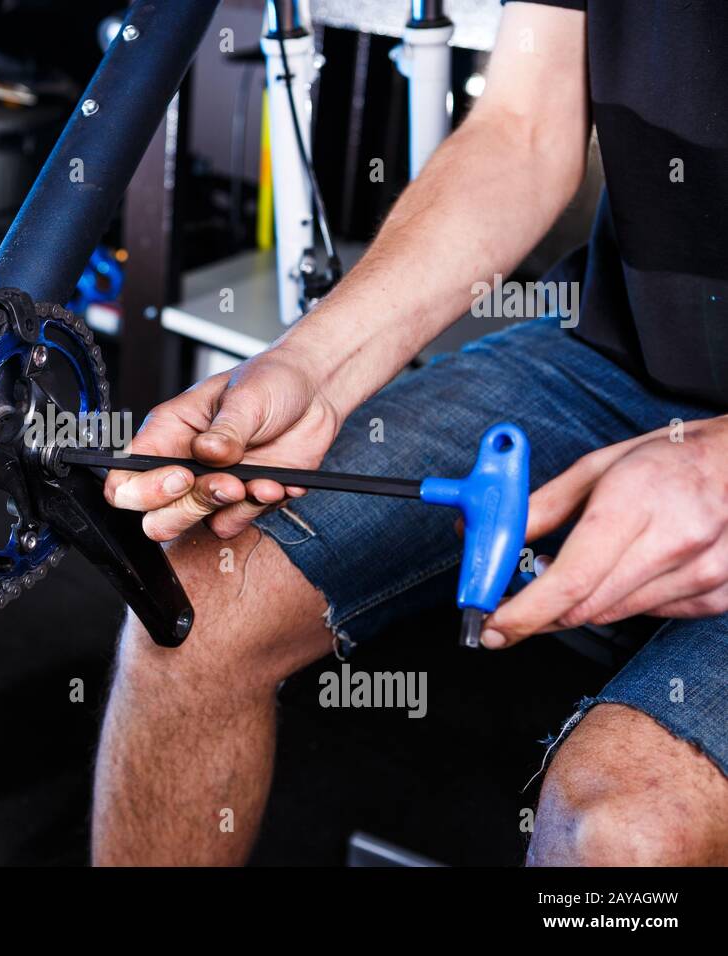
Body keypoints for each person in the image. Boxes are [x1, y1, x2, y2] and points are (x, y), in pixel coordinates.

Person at [92, 0, 728, 866]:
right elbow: (521, 129)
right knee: (191, 603)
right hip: (624, 349)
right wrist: (315, 367)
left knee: (623, 833)